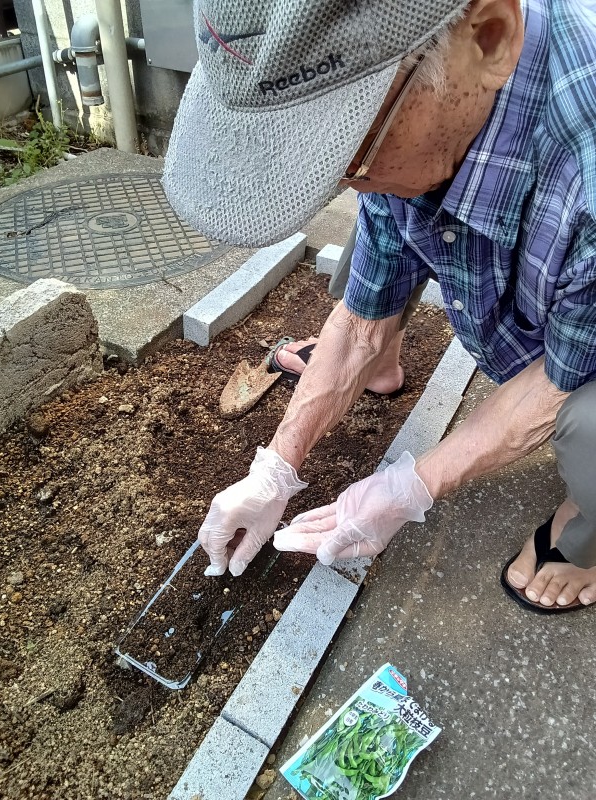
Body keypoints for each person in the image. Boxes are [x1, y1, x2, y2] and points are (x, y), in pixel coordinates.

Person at [163, 0, 596, 613]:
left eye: (350, 148)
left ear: (490, 36)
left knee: (587, 425)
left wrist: (411, 487)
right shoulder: (422, 111)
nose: (340, 184)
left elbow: (559, 381)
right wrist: (276, 468)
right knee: (391, 199)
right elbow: (364, 317)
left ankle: (587, 531)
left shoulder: (586, 172)